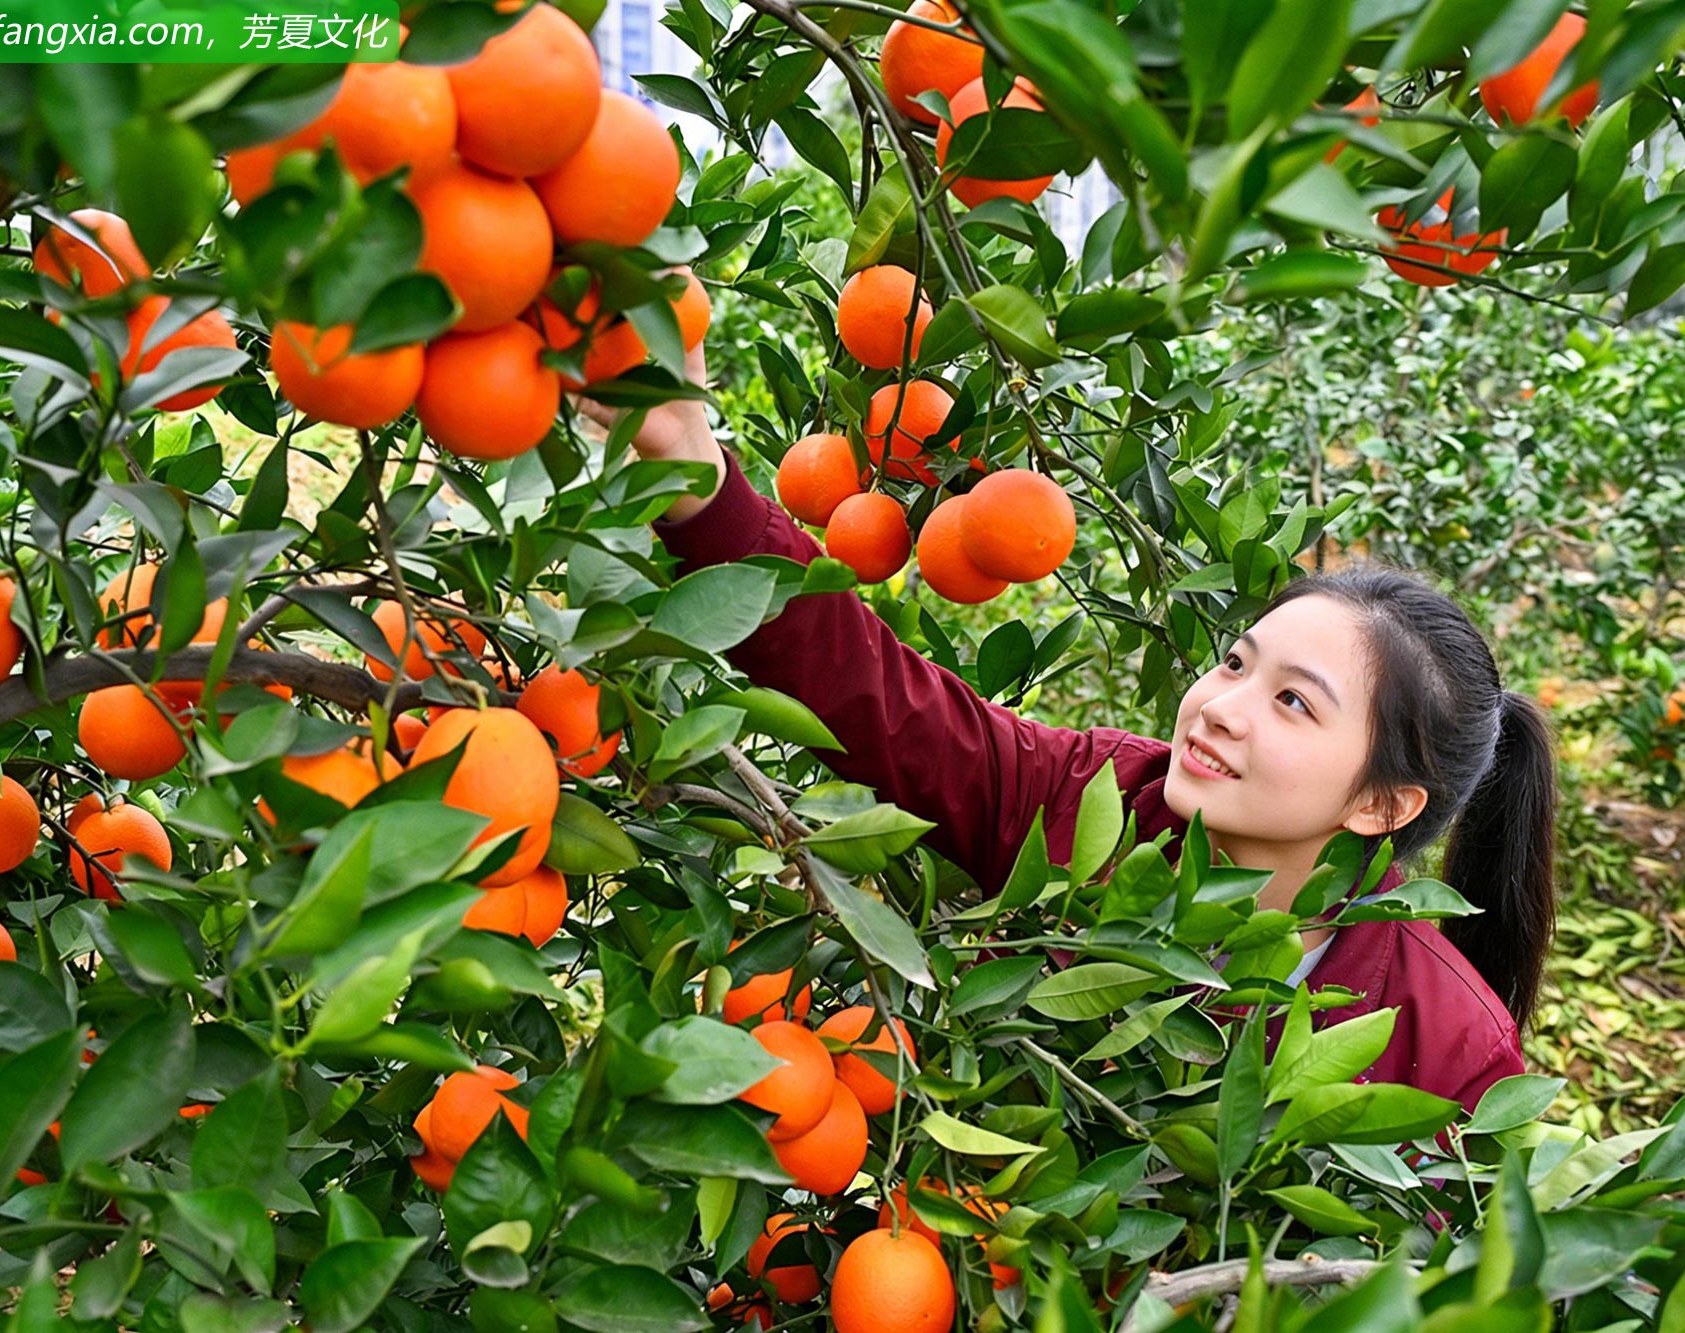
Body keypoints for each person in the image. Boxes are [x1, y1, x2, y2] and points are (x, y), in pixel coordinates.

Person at [577, 347, 1558, 1112]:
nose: (1218, 706)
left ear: (1382, 801)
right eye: (1233, 663)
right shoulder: (1087, 800)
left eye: (1290, 701)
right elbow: (872, 693)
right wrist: (694, 474)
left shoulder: (1446, 1043)